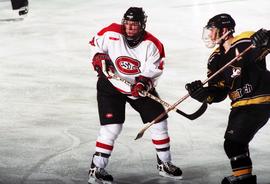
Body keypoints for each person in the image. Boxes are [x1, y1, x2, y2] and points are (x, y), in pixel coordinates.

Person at [88, 7, 182, 184]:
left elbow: (154, 70)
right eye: (127, 23)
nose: (129, 27)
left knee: (159, 120)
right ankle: (97, 169)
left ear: (142, 25)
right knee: (112, 128)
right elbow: (95, 45)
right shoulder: (111, 32)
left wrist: (143, 83)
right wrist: (98, 57)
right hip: (111, 86)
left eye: (134, 24)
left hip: (137, 88)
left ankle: (164, 164)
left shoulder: (153, 45)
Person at [185, 13, 270, 184]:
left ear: (224, 30)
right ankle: (243, 176)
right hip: (239, 105)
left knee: (233, 144)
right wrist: (203, 94)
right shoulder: (214, 59)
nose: (209, 34)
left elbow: (266, 43)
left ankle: (243, 179)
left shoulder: (244, 39)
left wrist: (266, 39)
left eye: (212, 30)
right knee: (238, 143)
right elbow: (219, 92)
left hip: (259, 99)